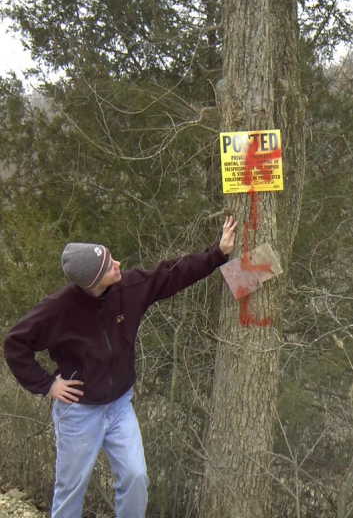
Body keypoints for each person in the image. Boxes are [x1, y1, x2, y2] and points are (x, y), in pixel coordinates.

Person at [4, 216, 237, 518]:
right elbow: (15, 344)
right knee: (71, 488)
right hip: (79, 412)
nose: (118, 263)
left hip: (120, 406)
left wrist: (217, 253)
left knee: (136, 477)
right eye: (109, 264)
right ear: (92, 281)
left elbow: (171, 274)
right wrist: (47, 384)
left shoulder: (130, 287)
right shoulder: (58, 309)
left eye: (112, 257)